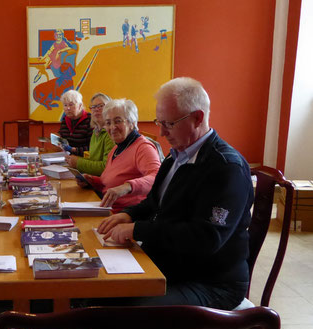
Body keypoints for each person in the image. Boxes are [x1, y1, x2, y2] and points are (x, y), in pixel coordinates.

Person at [97, 77, 253, 310]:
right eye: (159, 122)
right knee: (98, 290)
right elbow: (154, 203)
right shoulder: (176, 156)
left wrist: (138, 229)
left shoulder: (226, 168)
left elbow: (206, 238)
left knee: (127, 313)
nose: (161, 133)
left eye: (169, 124)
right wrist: (128, 215)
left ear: (198, 118)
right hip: (170, 264)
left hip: (210, 281)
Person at [78, 98, 160, 212]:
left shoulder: (143, 148)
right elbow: (110, 182)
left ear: (132, 123)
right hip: (107, 208)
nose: (112, 127)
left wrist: (127, 187)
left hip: (127, 215)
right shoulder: (117, 148)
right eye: (108, 123)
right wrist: (93, 181)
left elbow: (157, 177)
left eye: (118, 121)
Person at [66, 92, 115, 175]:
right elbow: (93, 160)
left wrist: (78, 162)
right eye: (93, 107)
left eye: (101, 106)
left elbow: (105, 167)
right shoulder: (96, 131)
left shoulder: (111, 133)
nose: (96, 109)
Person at [58, 89, 93, 156]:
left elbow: (94, 147)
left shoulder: (90, 120)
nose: (68, 108)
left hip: (84, 158)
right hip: (66, 157)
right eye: (65, 105)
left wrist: (73, 150)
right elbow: (62, 136)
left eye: (71, 105)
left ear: (80, 105)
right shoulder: (65, 119)